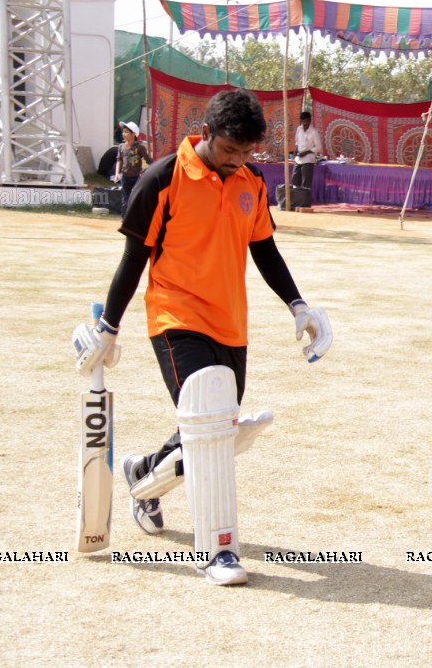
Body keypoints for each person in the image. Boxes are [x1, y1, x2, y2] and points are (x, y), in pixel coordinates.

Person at [72, 89, 333, 586]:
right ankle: (217, 552)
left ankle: (145, 476)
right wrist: (109, 325)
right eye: (230, 150)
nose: (238, 161)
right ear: (207, 134)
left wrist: (298, 304)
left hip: (231, 323)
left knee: (215, 429)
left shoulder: (251, 181)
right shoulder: (162, 178)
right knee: (210, 419)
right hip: (175, 316)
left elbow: (265, 251)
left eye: (247, 152)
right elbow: (134, 259)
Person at [113, 121, 152, 212]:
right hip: (125, 177)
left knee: (136, 197)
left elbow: (148, 160)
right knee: (125, 199)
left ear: (133, 134)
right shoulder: (121, 147)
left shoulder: (139, 147)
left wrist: (156, 169)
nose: (123, 134)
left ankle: (136, 218)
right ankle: (125, 220)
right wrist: (117, 174)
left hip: (136, 177)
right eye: (123, 131)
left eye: (126, 132)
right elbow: (119, 160)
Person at [293, 110, 323, 191]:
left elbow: (319, 147)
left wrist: (306, 152)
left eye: (306, 121)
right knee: (295, 180)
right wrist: (295, 151)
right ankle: (296, 200)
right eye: (303, 121)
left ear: (309, 121)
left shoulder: (314, 132)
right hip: (298, 159)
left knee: (306, 183)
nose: (304, 124)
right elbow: (297, 141)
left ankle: (305, 201)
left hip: (308, 160)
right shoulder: (299, 129)